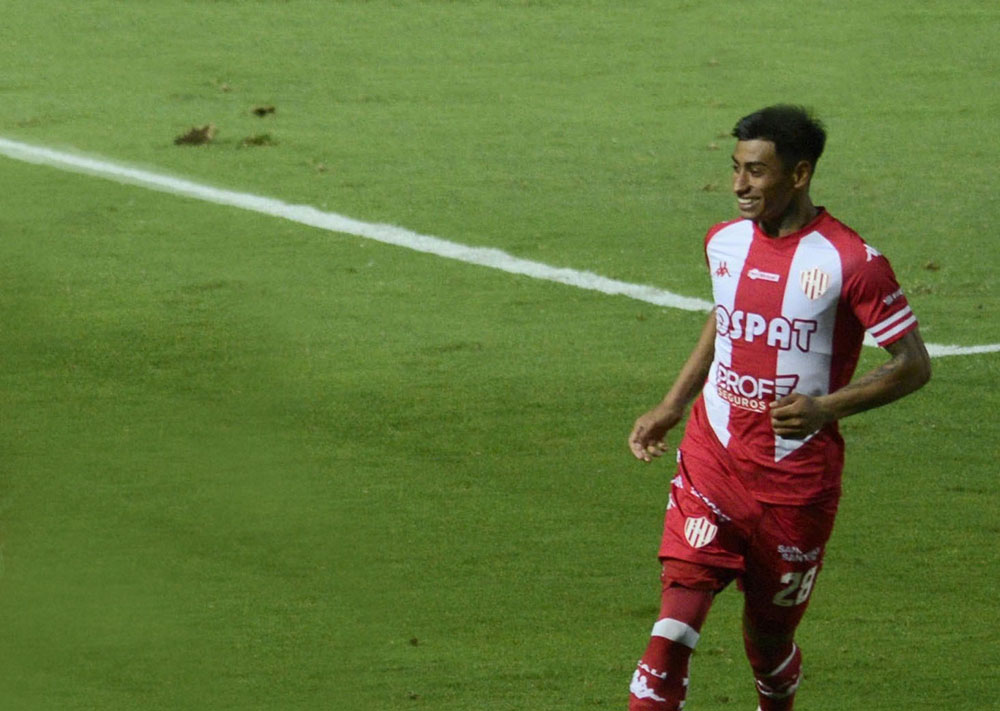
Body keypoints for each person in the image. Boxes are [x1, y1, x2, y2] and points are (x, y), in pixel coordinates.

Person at [625, 105, 931, 711]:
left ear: (800, 174)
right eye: (736, 168)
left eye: (756, 172)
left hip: (794, 482)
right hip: (712, 457)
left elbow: (913, 364)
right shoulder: (723, 241)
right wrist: (672, 404)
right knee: (672, 632)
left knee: (768, 644)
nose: (739, 185)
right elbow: (726, 318)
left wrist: (825, 409)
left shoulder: (851, 261)